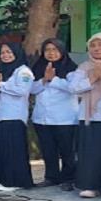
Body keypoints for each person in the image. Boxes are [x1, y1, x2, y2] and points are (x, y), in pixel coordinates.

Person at [68, 33, 101, 200]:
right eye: (93, 45)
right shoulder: (84, 66)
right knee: (91, 153)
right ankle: (91, 185)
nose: (96, 49)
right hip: (89, 116)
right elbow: (73, 88)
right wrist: (93, 78)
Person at [30, 38, 80, 191]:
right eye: (48, 50)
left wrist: (54, 79)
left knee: (67, 151)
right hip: (42, 118)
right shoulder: (38, 67)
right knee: (48, 150)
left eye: (55, 50)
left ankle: (69, 178)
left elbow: (75, 88)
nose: (51, 53)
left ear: (62, 51)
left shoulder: (72, 69)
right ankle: (51, 177)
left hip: (65, 118)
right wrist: (44, 80)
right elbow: (31, 89)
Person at [0, 42, 34, 191]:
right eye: (2, 53)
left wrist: (0, 84)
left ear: (17, 53)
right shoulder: (1, 70)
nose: (5, 55)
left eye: (9, 52)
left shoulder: (23, 71)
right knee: (1, 150)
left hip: (14, 116)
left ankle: (15, 181)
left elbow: (22, 90)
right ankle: (1, 178)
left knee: (13, 151)